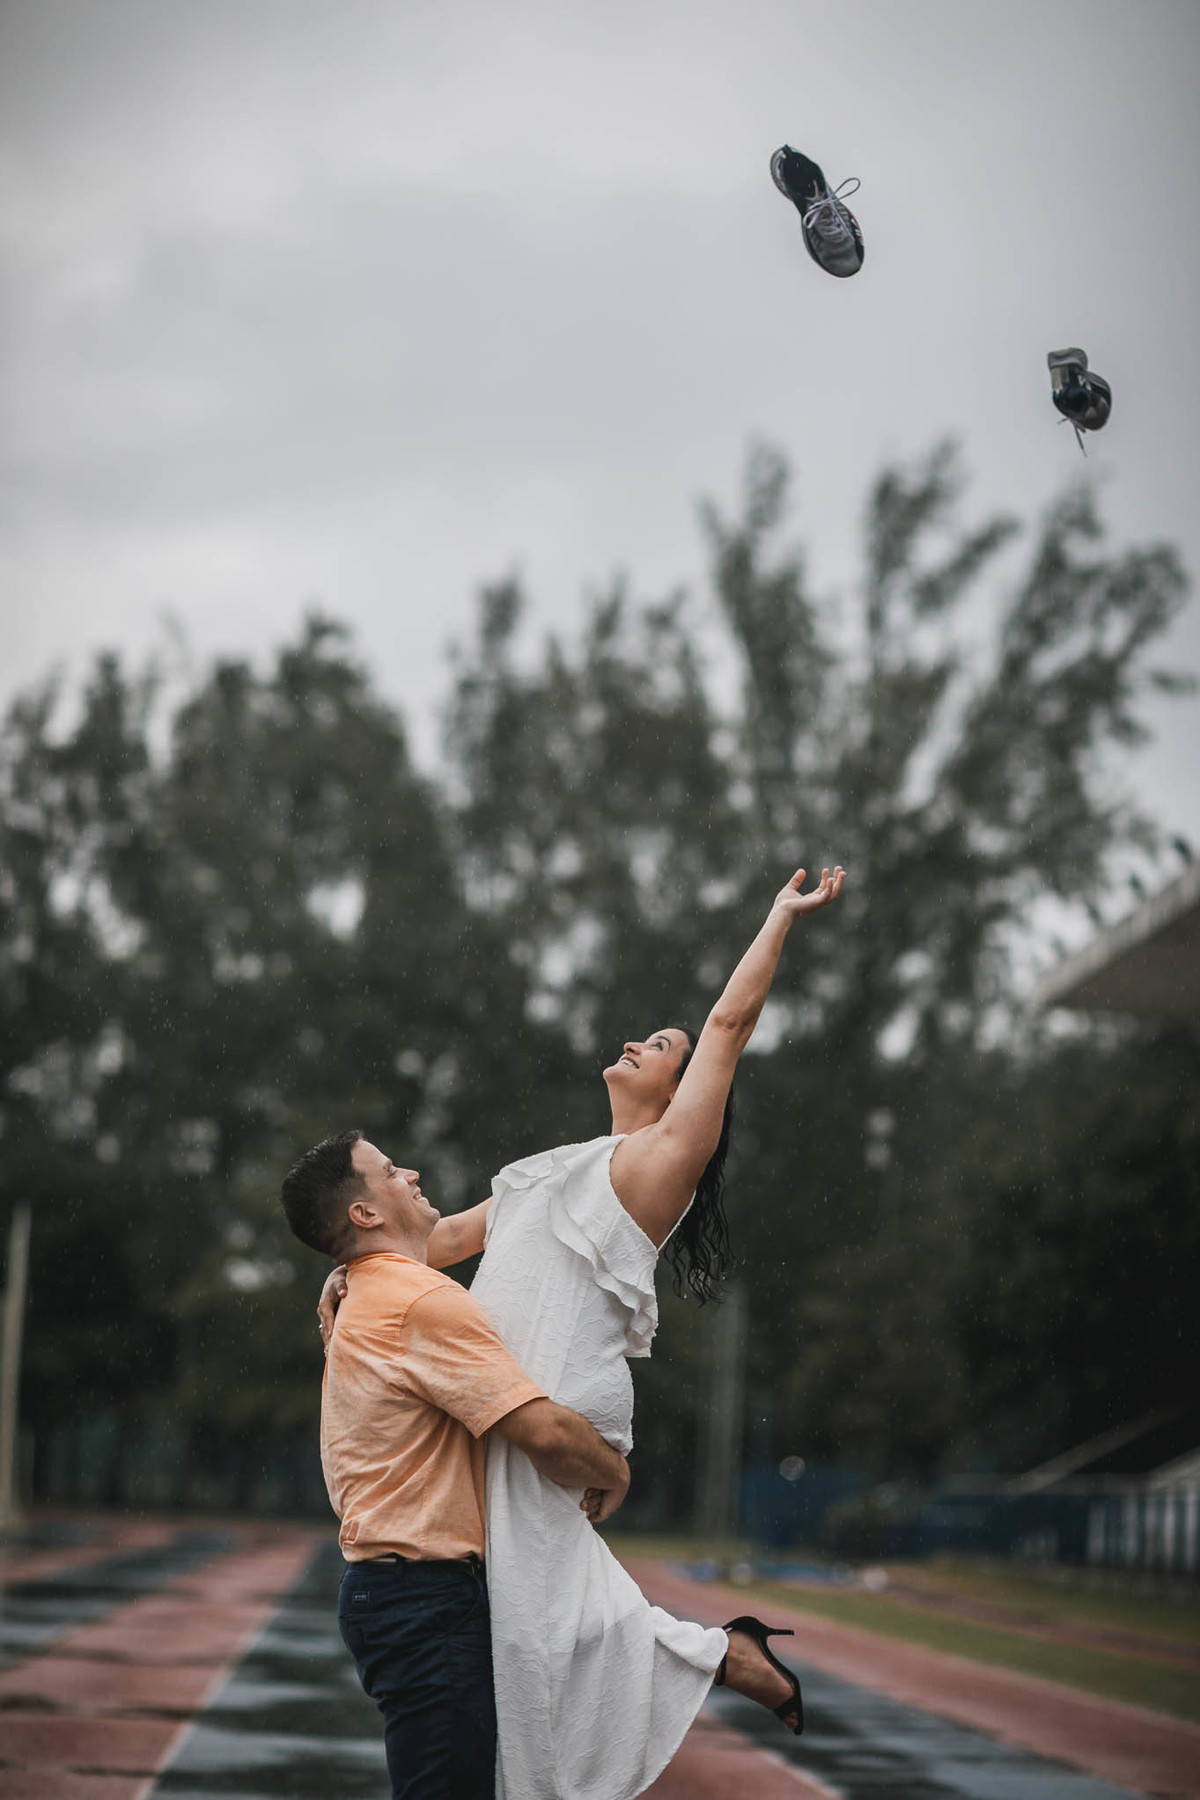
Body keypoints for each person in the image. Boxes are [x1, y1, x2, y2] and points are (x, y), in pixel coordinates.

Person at [319, 863, 846, 1800]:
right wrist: (343, 1273)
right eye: (647, 1033)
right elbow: (431, 1241)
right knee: (528, 1627)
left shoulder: (658, 1167)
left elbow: (728, 1026)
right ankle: (723, 1655)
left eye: (663, 1045)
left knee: (530, 1625)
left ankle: (720, 1660)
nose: (644, 1040)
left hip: (557, 1399)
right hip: (504, 1402)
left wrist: (778, 917)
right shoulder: (549, 1167)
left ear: (688, 1094)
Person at [280, 1130, 631, 1800]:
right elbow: (547, 1433)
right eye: (389, 1170)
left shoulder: (372, 1283)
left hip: (400, 1591)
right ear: (365, 1214)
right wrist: (616, 1469)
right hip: (424, 1598)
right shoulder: (416, 1302)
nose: (410, 1171)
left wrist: (619, 1146)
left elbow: (497, 1217)